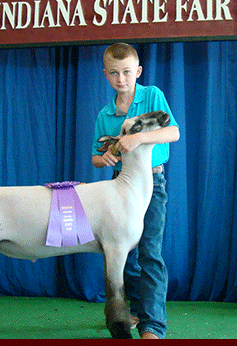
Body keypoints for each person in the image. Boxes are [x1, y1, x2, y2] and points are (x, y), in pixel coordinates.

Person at [91, 43, 179, 339]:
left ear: (137, 72)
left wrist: (138, 138)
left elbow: (173, 132)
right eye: (114, 73)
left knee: (150, 252)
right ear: (105, 75)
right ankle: (133, 311)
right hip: (118, 184)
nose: (121, 79)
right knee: (123, 252)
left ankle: (152, 325)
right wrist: (102, 159)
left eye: (127, 72)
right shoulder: (105, 114)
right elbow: (95, 155)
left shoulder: (152, 96)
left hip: (152, 184)